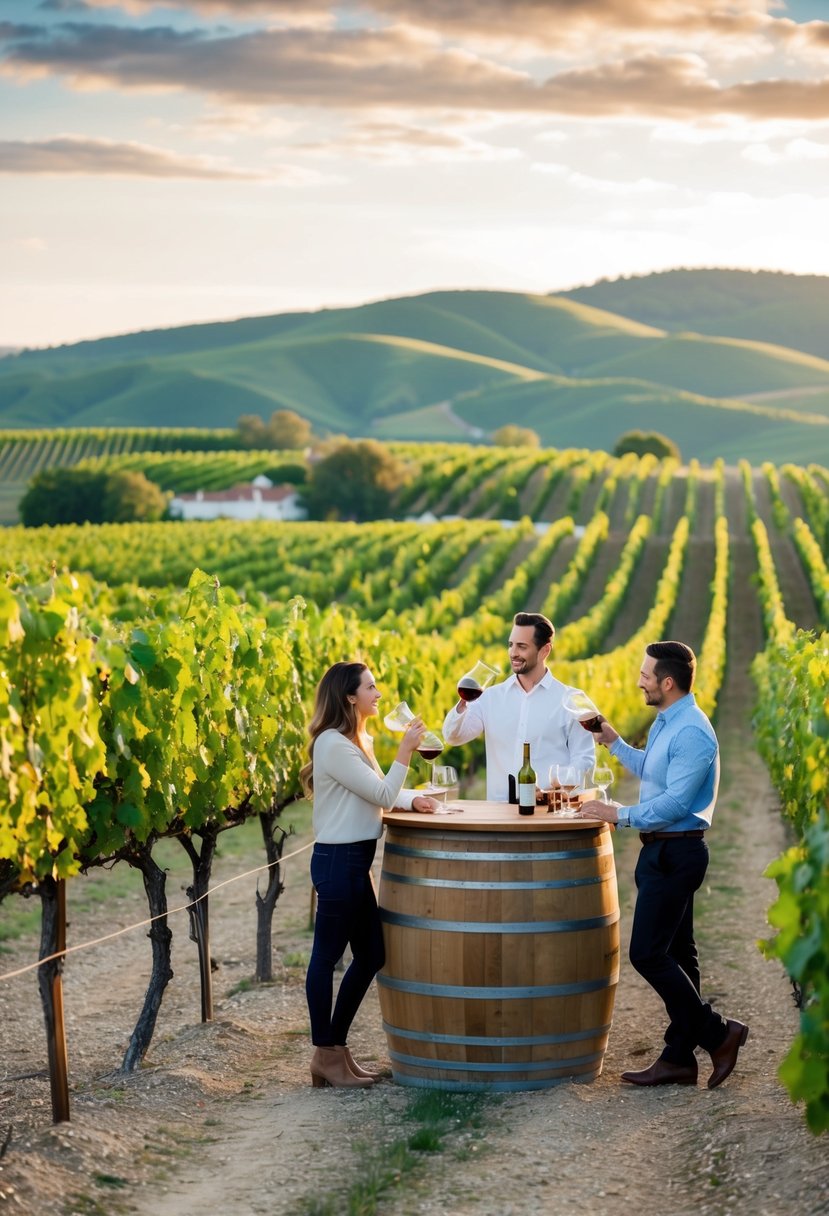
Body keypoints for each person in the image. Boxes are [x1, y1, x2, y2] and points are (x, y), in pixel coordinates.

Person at [576, 640, 749, 1088]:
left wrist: (618, 814)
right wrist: (613, 742)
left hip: (678, 852)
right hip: (660, 851)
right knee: (678, 953)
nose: (639, 681)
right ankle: (677, 1059)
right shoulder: (666, 722)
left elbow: (674, 802)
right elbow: (653, 772)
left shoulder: (692, 730)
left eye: (646, 675)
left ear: (667, 682)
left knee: (647, 954)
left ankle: (718, 1033)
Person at [302, 661, 438, 1089]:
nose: (378, 694)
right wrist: (406, 751)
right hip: (339, 862)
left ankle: (336, 1050)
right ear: (349, 696)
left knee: (371, 956)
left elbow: (378, 792)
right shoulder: (332, 744)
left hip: (354, 862)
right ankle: (326, 1053)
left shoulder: (355, 740)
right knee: (325, 959)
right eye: (371, 687)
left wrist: (414, 799)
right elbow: (381, 792)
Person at [442, 611, 595, 801]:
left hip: (547, 816)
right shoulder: (489, 697)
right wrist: (463, 702)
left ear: (545, 650)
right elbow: (452, 737)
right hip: (499, 817)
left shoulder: (572, 699)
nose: (513, 653)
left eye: (522, 646)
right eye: (511, 645)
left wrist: (551, 786)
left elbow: (585, 760)